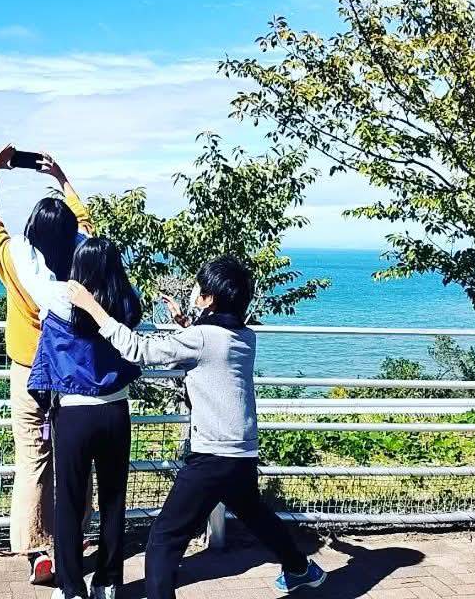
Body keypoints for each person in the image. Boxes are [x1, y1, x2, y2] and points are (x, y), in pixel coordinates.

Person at [67, 256, 328, 599]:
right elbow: (211, 348)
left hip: (212, 456)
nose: (194, 291)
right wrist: (185, 324)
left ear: (210, 298)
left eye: (199, 288)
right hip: (242, 452)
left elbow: (139, 349)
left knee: (164, 540)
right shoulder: (245, 336)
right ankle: (299, 569)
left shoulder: (202, 338)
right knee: (255, 514)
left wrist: (93, 307)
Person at [0, 143, 91, 584]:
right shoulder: (82, 257)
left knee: (32, 457)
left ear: (31, 233)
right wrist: (62, 178)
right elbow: (86, 225)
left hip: (28, 370)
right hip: (73, 372)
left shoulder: (15, 259)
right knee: (74, 458)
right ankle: (72, 539)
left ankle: (37, 550)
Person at [21, 237, 142, 599]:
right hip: (116, 411)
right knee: (113, 501)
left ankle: (71, 587)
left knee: (69, 502)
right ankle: (108, 582)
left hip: (73, 413)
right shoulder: (128, 303)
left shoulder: (59, 300)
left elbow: (28, 263)